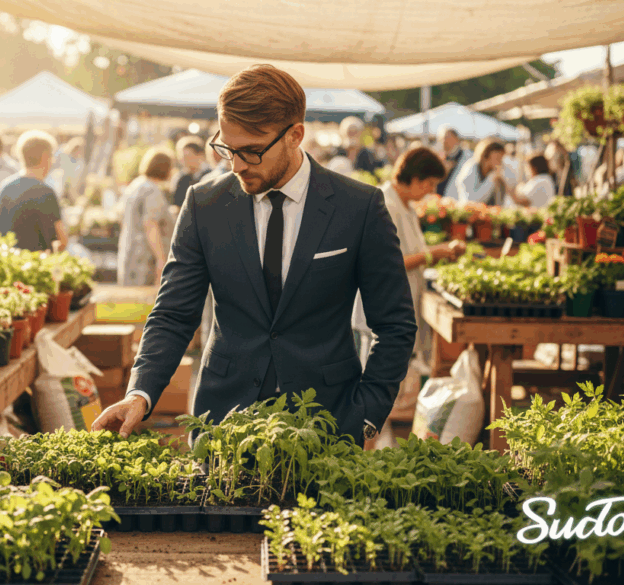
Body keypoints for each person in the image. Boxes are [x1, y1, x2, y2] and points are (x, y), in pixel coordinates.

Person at [92, 64, 417, 446]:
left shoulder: (359, 207)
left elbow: (395, 325)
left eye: (251, 151)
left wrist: (365, 416)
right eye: (227, 148)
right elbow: (174, 313)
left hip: (328, 424)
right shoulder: (204, 203)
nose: (236, 165)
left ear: (296, 135)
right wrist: (139, 393)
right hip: (222, 422)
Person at [354, 148, 466, 442]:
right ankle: (365, 457)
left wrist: (434, 253)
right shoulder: (386, 204)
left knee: (390, 396)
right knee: (378, 397)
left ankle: (377, 453)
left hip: (396, 310)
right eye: (428, 184)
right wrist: (434, 254)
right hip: (380, 314)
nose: (430, 191)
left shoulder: (404, 205)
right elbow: (387, 263)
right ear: (414, 178)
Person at [0, 131, 68, 252]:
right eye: (51, 156)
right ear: (45, 157)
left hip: (8, 264)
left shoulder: (6, 187)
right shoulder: (45, 193)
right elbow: (62, 240)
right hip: (36, 266)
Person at [117, 149, 173, 286]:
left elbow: (120, 216)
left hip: (129, 252)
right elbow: (150, 224)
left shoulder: (135, 185)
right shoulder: (152, 190)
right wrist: (161, 259)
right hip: (145, 259)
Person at [455, 138, 506, 205]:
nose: (500, 162)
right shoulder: (471, 168)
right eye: (498, 158)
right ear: (486, 155)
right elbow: (471, 201)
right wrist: (492, 178)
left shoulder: (494, 173)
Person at [170, 136, 211, 207]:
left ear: (200, 155)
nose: (183, 161)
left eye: (187, 156)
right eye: (181, 157)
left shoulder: (211, 175)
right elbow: (177, 203)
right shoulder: (181, 178)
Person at [435, 125, 472, 199]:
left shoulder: (468, 157)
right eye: (441, 139)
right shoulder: (439, 158)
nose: (444, 142)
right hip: (438, 200)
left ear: (457, 139)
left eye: (446, 138)